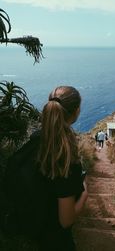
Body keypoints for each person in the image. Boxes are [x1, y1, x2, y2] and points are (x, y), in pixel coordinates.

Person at [6, 86, 88, 251]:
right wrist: (85, 194)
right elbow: (66, 220)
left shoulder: (34, 141)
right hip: (53, 240)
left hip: (27, 227)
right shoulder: (65, 158)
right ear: (76, 111)